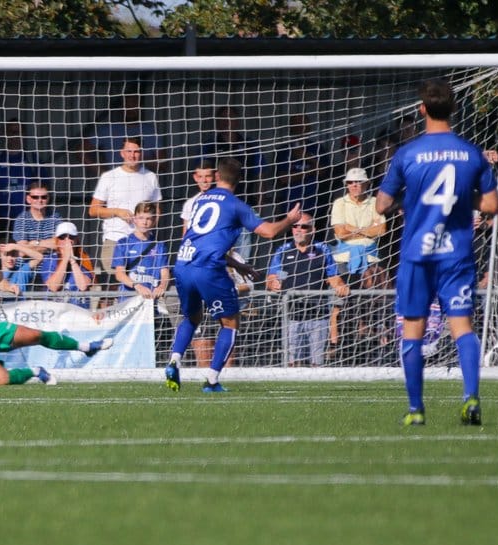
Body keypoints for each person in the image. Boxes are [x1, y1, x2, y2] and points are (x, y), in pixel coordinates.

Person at [375, 78, 498, 426]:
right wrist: (462, 198)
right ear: (454, 108)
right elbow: (491, 204)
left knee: (412, 328)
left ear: (422, 109)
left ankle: (416, 410)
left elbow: (381, 205)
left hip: (418, 255)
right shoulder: (471, 153)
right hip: (456, 254)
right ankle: (471, 397)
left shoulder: (408, 153)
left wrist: (409, 198)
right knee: (462, 326)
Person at [166, 157, 302, 394]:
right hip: (208, 269)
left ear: (217, 176)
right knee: (230, 323)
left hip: (183, 264)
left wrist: (238, 265)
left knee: (192, 317)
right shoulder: (236, 205)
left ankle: (175, 359)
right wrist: (290, 219)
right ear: (239, 180)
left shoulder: (199, 200)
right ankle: (211, 380)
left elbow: (204, 240)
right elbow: (269, 232)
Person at [266, 214, 350, 367]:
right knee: (293, 364)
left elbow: (333, 276)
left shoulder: (322, 249)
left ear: (313, 230)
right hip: (291, 315)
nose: (299, 230)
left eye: (304, 226)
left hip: (318, 315)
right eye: (295, 226)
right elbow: (273, 276)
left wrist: (340, 285)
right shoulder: (283, 251)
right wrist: (273, 283)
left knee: (317, 364)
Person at [329, 167, 387, 354]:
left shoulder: (375, 202)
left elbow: (382, 230)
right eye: (351, 182)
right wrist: (366, 230)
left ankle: (374, 345)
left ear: (366, 183)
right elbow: (340, 232)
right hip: (344, 259)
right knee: (339, 302)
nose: (354, 185)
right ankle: (335, 346)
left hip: (370, 258)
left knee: (372, 301)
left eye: (358, 182)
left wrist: (352, 229)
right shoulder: (339, 202)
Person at [88, 137, 161, 281]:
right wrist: (117, 211)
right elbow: (93, 210)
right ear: (121, 153)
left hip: (142, 241)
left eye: (136, 152)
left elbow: (157, 210)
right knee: (113, 285)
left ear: (141, 153)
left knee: (142, 285)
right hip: (115, 240)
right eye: (129, 151)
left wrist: (146, 227)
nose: (132, 155)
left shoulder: (151, 177)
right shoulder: (109, 177)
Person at [0, 118, 50, 226]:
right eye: (11, 132)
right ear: (5, 134)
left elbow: (45, 188)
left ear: (23, 134)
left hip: (30, 220)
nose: (15, 135)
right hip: (3, 220)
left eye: (18, 132)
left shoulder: (32, 159)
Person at [112, 201, 170, 304]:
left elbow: (164, 272)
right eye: (141, 218)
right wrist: (137, 286)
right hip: (128, 301)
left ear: (154, 221)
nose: (144, 222)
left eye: (148, 219)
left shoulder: (159, 245)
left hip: (151, 300)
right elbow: (119, 274)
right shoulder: (123, 243)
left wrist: (162, 286)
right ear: (134, 219)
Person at [38, 222, 94, 308]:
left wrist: (72, 260)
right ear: (57, 241)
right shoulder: (49, 260)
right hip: (55, 311)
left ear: (76, 240)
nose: (67, 241)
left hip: (78, 311)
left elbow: (83, 286)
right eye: (62, 237)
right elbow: (53, 287)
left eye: (71, 237)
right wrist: (65, 259)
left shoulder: (84, 259)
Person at [11, 181, 64, 246]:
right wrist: (50, 243)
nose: (40, 200)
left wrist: (35, 243)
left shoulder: (55, 217)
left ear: (48, 198)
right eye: (35, 197)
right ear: (28, 199)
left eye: (44, 197)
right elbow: (22, 248)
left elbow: (60, 243)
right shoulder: (21, 219)